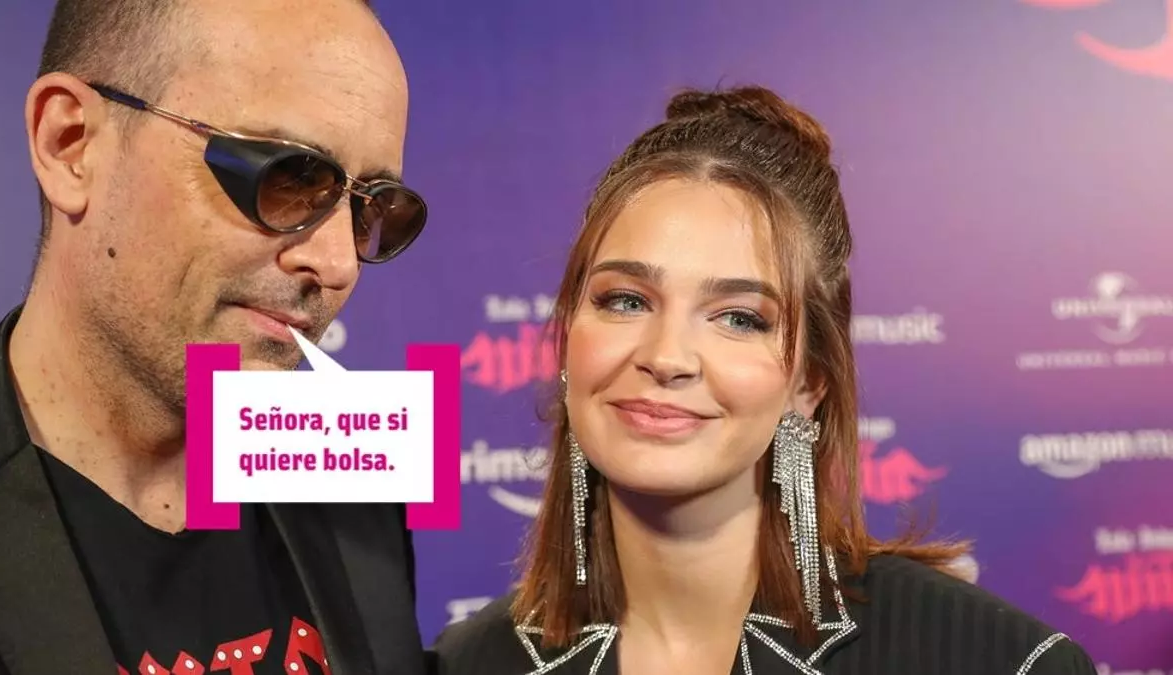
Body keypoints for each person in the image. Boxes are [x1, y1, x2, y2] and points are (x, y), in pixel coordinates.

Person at [429, 85, 1097, 674]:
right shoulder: (468, 663)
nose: (667, 356)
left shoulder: (997, 662)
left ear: (810, 381)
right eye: (626, 300)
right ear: (568, 334)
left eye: (740, 318)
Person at [0, 0, 432, 673]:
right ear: (71, 145)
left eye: (373, 208)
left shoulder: (353, 484)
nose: (338, 264)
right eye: (286, 175)